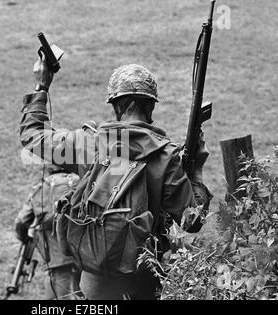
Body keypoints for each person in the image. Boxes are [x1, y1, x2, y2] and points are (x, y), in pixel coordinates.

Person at [19, 54, 212, 299]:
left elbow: (33, 136)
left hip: (93, 282)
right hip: (142, 283)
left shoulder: (87, 143)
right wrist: (195, 170)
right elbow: (192, 221)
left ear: (116, 105)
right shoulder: (166, 157)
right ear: (151, 106)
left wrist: (42, 85)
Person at [14, 163, 82, 300]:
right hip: (82, 249)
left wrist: (24, 237)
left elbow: (22, 221)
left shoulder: (40, 187)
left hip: (55, 253)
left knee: (59, 286)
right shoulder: (80, 182)